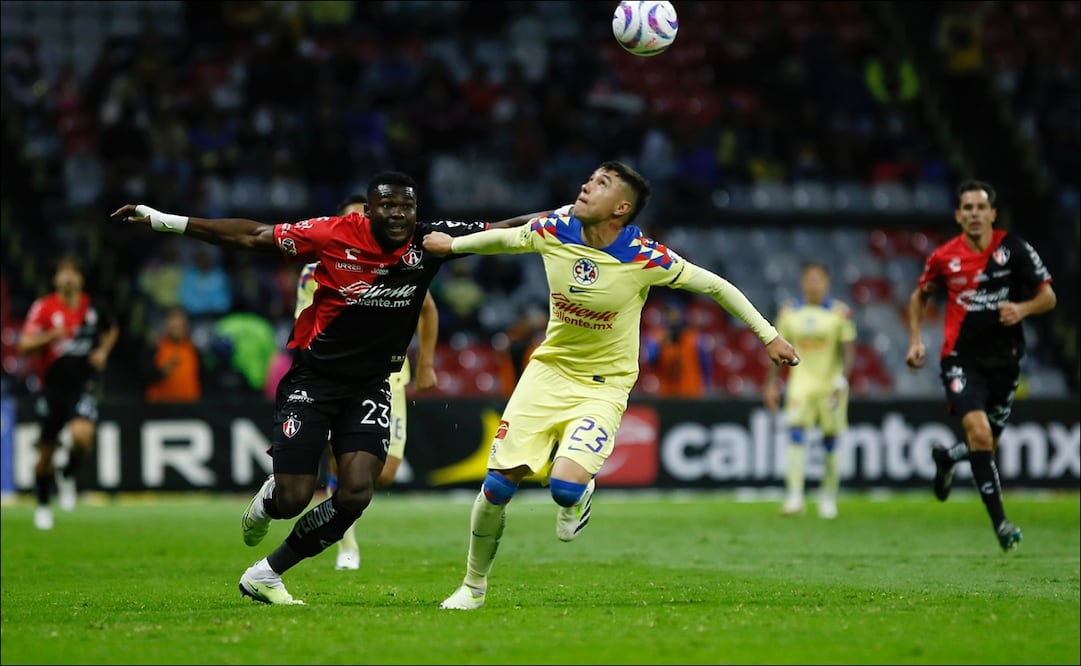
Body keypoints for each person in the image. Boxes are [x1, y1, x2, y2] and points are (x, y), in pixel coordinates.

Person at [111, 172, 544, 605]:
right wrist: (167, 221)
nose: (399, 215)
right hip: (313, 382)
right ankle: (269, 502)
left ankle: (267, 573)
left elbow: (505, 228)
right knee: (294, 497)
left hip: (371, 385)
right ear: (369, 210)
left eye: (407, 207)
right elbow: (253, 236)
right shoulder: (332, 235)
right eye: (388, 206)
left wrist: (569, 219)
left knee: (357, 491)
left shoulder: (429, 242)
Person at [422, 160, 800, 610]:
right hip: (547, 373)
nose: (586, 185)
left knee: (563, 488)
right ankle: (473, 587)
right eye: (589, 178)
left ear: (620, 208)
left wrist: (769, 336)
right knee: (498, 487)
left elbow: (716, 286)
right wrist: (454, 246)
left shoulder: (645, 256)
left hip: (603, 385)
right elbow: (506, 238)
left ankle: (578, 494)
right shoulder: (555, 227)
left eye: (601, 184)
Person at [905, 179, 1056, 552]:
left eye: (980, 207)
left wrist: (1021, 308)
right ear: (958, 216)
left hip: (1006, 362)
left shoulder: (1014, 249)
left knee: (986, 444)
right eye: (967, 208)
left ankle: (946, 459)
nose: (974, 214)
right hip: (961, 360)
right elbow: (919, 296)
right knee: (982, 435)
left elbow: (1048, 297)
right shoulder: (944, 257)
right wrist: (915, 340)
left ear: (992, 213)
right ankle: (1002, 525)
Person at [295, 193, 440, 571]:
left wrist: (425, 364)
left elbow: (427, 309)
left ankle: (337, 510)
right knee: (343, 462)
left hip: (390, 377)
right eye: (352, 219)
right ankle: (346, 542)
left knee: (386, 471)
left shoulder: (400, 261)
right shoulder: (319, 268)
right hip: (339, 376)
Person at [18, 256, 119, 529]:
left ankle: (68, 473)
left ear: (81, 279)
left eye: (73, 272)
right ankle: (42, 504)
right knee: (46, 453)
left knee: (83, 437)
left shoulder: (93, 307)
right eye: (63, 272)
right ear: (55, 280)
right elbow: (24, 344)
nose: (68, 277)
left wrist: (102, 352)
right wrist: (50, 337)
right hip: (51, 389)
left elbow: (112, 329)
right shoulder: (44, 308)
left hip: (82, 386)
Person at [763, 262, 856, 519]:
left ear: (827, 283)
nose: (814, 284)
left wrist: (842, 380)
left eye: (818, 279)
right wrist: (771, 383)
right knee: (795, 436)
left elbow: (848, 350)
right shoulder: (789, 314)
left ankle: (828, 497)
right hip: (800, 384)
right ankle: (795, 497)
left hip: (830, 386)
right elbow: (777, 350)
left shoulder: (839, 314)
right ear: (803, 283)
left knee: (830, 440)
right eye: (809, 279)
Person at [144, 305, 202, 403]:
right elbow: (145, 375)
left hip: (190, 406)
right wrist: (162, 372)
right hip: (161, 406)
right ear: (166, 325)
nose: (176, 329)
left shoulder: (193, 349)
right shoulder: (155, 348)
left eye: (179, 326)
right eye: (173, 326)